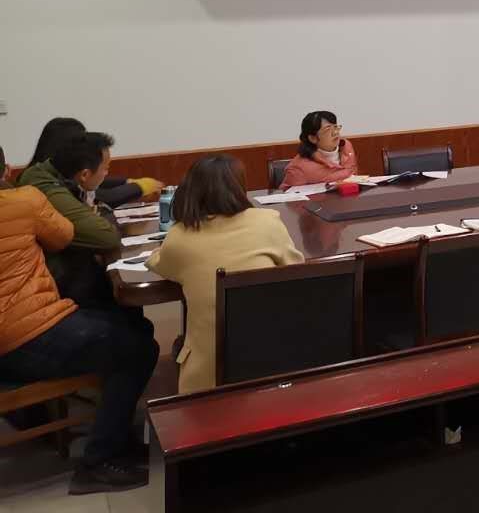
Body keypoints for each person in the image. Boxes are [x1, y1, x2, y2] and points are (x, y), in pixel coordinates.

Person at [0, 146, 159, 494]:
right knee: (137, 349)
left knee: (131, 326)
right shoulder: (23, 201)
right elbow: (64, 235)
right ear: (6, 170)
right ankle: (99, 461)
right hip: (24, 335)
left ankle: (117, 431)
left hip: (18, 331)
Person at [144, 154, 302, 394]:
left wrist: (158, 251)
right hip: (273, 359)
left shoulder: (180, 236)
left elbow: (161, 264)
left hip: (207, 376)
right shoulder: (267, 221)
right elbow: (295, 267)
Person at [18, 131, 124, 307]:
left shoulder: (47, 174)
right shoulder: (47, 188)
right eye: (105, 168)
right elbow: (107, 236)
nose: (107, 173)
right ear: (84, 175)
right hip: (57, 291)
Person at [29, 117, 163, 207]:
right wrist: (140, 187)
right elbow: (104, 197)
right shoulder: (47, 182)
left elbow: (92, 181)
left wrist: (125, 182)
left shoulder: (42, 170)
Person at [280, 110, 358, 189]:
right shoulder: (298, 168)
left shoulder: (346, 146)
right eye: (328, 129)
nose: (335, 132)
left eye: (335, 127)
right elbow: (288, 193)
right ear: (313, 138)